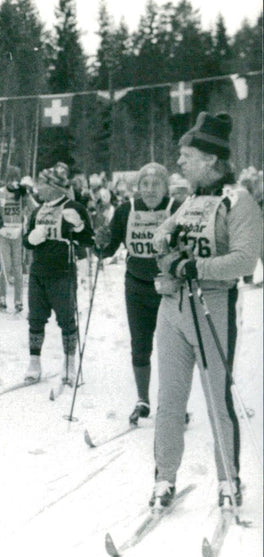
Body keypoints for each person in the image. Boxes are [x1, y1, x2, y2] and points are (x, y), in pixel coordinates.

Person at [148, 112, 261, 510]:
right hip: (174, 306)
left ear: (211, 160)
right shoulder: (191, 199)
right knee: (170, 399)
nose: (179, 162)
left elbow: (246, 261)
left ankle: (229, 480)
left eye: (187, 154)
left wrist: (195, 266)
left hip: (213, 305)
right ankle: (164, 478)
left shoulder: (239, 199)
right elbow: (164, 235)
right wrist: (168, 242)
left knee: (217, 399)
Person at [94, 162, 175, 424]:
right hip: (137, 288)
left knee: (170, 349)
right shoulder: (126, 209)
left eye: (156, 184)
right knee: (140, 346)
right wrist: (101, 242)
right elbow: (109, 248)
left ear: (165, 187)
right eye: (145, 184)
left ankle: (172, 402)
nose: (151, 190)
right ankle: (142, 400)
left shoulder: (176, 208)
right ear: (138, 187)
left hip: (169, 290)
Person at [22, 163, 93, 385]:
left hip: (63, 272)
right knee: (35, 319)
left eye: (42, 183)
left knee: (66, 320)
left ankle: (70, 364)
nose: (38, 187)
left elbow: (89, 240)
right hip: (38, 272)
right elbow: (26, 240)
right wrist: (31, 239)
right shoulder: (37, 210)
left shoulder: (72, 207)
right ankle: (34, 363)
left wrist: (80, 226)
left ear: (53, 186)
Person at [0, 168, 32, 313]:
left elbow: (34, 208)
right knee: (5, 266)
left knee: (17, 267)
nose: (12, 182)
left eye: (15, 179)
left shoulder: (21, 193)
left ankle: (18, 300)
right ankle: (2, 298)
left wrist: (26, 195)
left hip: (17, 233)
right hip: (3, 233)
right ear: (5, 179)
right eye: (10, 179)